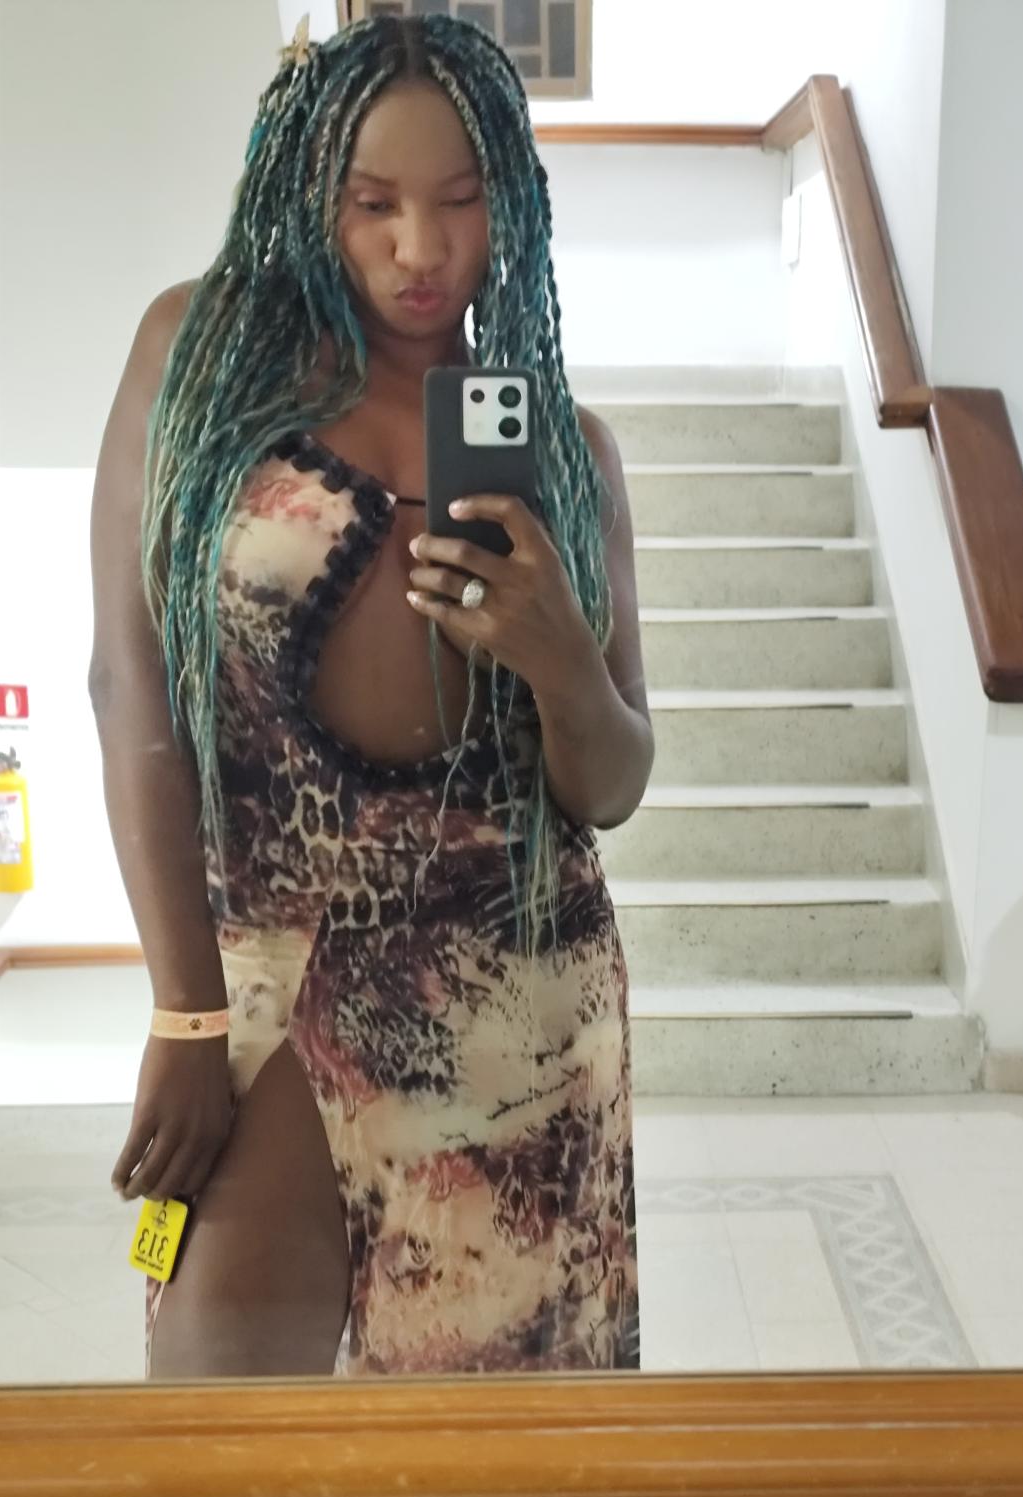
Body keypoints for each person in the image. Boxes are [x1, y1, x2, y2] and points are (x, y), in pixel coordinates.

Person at [87, 12, 651, 1378]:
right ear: (309, 196)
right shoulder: (198, 365)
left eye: (459, 201)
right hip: (267, 971)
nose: (420, 250)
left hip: (515, 1007)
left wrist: (557, 652)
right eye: (373, 203)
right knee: (213, 1430)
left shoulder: (566, 452)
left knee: (485, 1474)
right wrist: (182, 1009)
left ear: (510, 203)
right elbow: (127, 679)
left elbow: (612, 785)